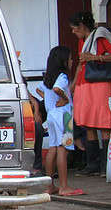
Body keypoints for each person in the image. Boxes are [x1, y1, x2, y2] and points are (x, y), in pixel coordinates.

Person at [69, 11, 111, 175]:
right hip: (83, 84)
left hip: (99, 84)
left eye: (74, 28)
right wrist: (73, 86)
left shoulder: (100, 35)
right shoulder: (82, 41)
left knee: (103, 122)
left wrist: (96, 58)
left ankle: (106, 166)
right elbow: (80, 63)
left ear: (82, 26)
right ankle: (92, 165)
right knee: (88, 123)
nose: (73, 32)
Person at [31, 46, 84, 196]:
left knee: (53, 148)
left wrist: (51, 100)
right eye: (70, 59)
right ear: (64, 61)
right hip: (64, 116)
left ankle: (50, 186)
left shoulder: (49, 76)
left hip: (52, 116)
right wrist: (64, 99)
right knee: (63, 149)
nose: (72, 61)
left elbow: (39, 90)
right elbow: (57, 89)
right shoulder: (62, 76)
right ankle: (64, 186)